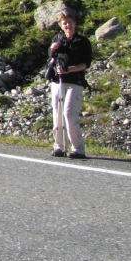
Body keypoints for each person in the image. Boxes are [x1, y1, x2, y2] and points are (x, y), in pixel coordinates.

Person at [48, 11, 92, 159]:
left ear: (75, 23)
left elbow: (85, 64)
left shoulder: (83, 42)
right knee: (57, 114)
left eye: (69, 22)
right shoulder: (57, 39)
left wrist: (69, 69)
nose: (67, 25)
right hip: (58, 81)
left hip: (75, 81)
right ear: (61, 25)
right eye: (64, 23)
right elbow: (51, 58)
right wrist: (52, 49)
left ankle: (78, 149)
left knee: (69, 113)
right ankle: (59, 147)